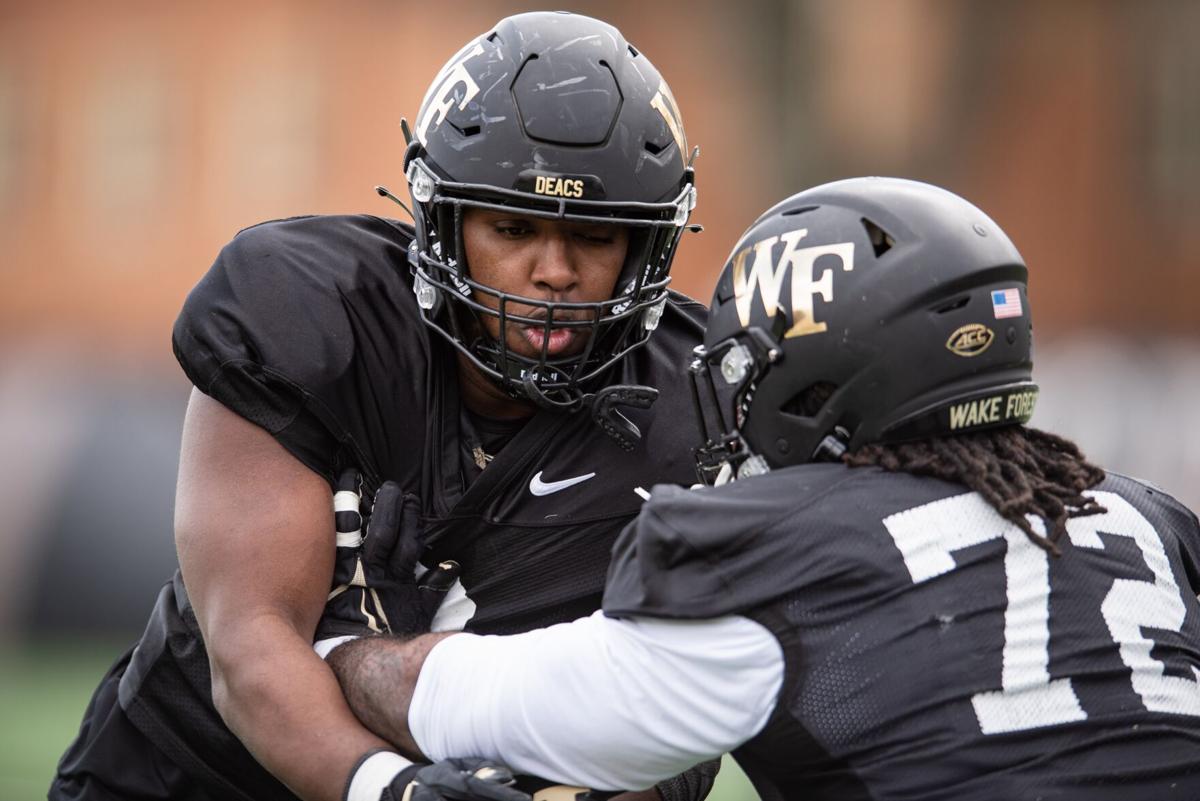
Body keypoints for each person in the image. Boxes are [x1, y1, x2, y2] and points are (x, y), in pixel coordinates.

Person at [324, 177, 1200, 801]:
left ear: (814, 381)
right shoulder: (1150, 519)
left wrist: (345, 648)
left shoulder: (779, 552)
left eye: (743, 369)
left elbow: (475, 702)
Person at [50, 12, 717, 801]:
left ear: (647, 247)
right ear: (443, 221)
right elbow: (248, 648)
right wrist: (393, 790)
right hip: (192, 777)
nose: (554, 271)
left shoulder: (696, 405)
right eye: (513, 226)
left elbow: (680, 716)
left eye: (596, 236)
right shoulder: (310, 314)